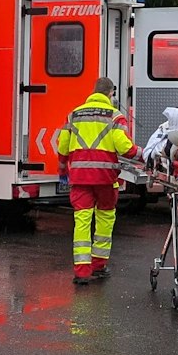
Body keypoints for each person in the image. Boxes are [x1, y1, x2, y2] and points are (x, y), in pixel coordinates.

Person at [55, 77, 139, 285]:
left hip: (80, 178)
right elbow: (125, 148)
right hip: (105, 179)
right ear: (110, 94)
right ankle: (99, 265)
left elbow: (63, 146)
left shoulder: (74, 114)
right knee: (104, 220)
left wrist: (62, 166)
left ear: (93, 92)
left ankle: (82, 272)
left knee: (82, 221)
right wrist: (144, 154)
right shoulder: (116, 117)